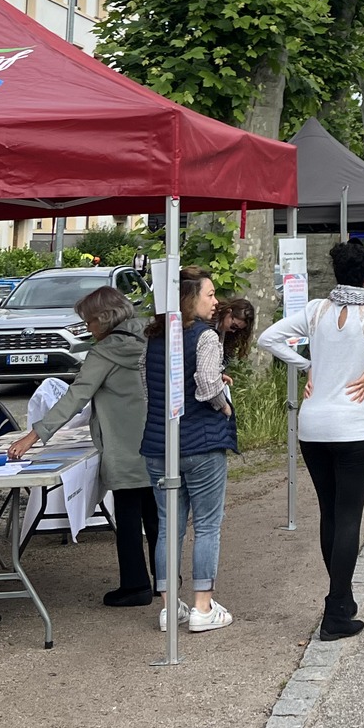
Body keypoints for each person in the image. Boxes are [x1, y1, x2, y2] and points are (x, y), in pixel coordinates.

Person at [258, 240, 364, 640]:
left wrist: (307, 365)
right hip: (351, 427)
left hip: (312, 426)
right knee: (348, 517)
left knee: (330, 513)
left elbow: (268, 339)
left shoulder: (316, 310)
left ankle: (342, 603)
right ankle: (335, 609)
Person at [7, 286, 156, 606]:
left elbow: (75, 398)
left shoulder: (104, 353)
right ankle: (166, 579)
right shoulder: (148, 338)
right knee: (154, 513)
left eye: (88, 322)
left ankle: (135, 585)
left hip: (124, 446)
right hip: (156, 440)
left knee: (128, 518)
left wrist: (34, 435)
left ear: (104, 319)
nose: (87, 329)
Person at [141, 267, 237, 634]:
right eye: (209, 295)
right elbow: (207, 383)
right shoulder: (205, 337)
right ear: (189, 299)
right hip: (201, 442)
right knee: (208, 525)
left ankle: (169, 608)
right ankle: (202, 607)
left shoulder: (153, 337)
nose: (215, 302)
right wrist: (224, 407)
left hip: (157, 443)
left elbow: (149, 386)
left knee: (168, 527)